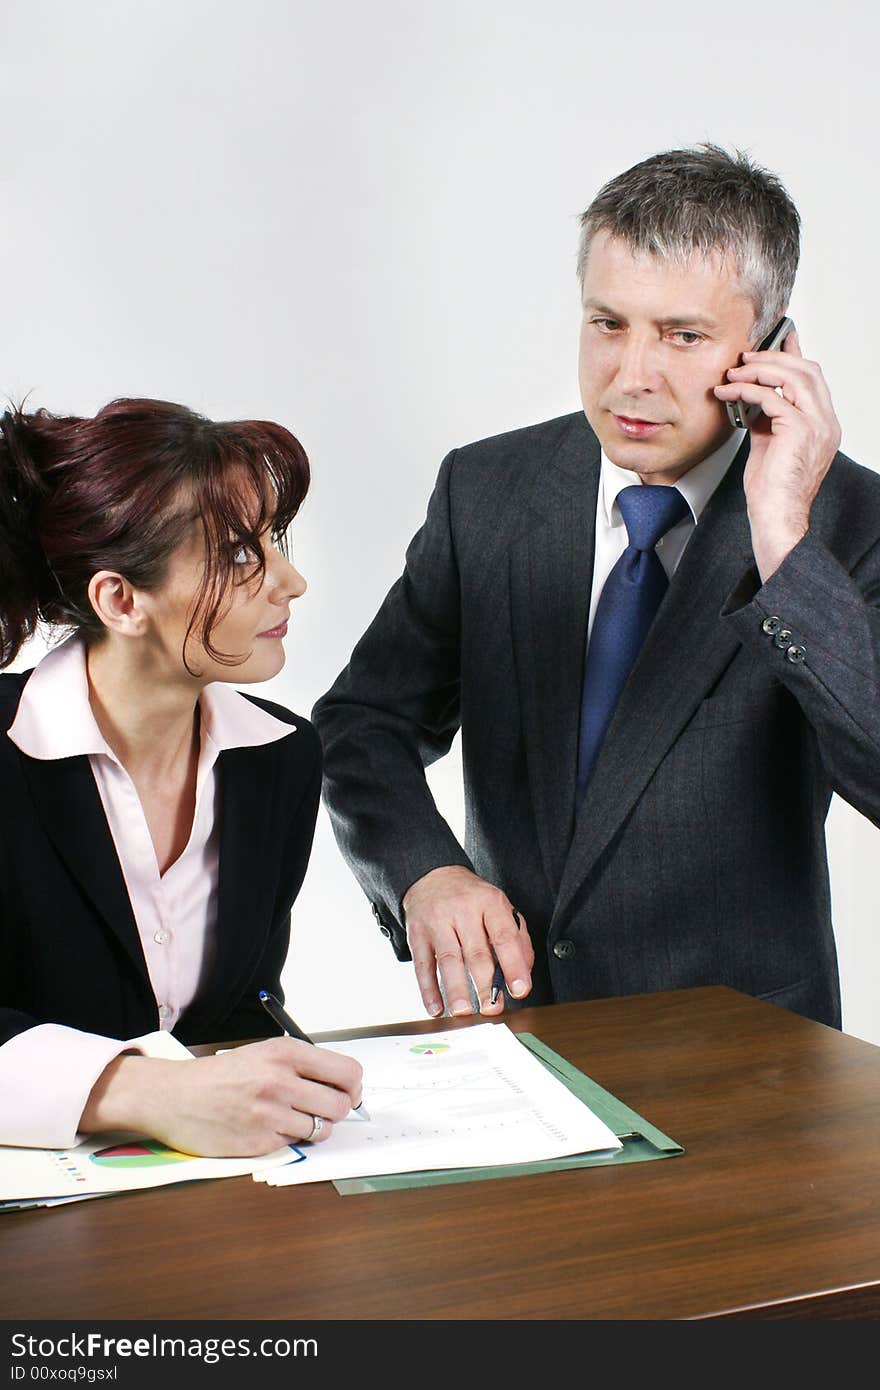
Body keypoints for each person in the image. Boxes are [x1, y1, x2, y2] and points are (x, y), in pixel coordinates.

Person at [313, 144, 880, 1031]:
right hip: (514, 1031)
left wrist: (781, 536)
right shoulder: (488, 489)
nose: (630, 376)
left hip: (749, 1051)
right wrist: (425, 871)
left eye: (683, 336)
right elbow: (365, 721)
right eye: (607, 323)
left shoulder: (843, 519)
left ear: (770, 348)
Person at [0, 397, 361, 1153]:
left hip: (193, 1205)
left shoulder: (279, 756)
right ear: (121, 600)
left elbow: (234, 1013)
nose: (289, 581)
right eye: (238, 555)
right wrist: (143, 1091)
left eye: (276, 541)